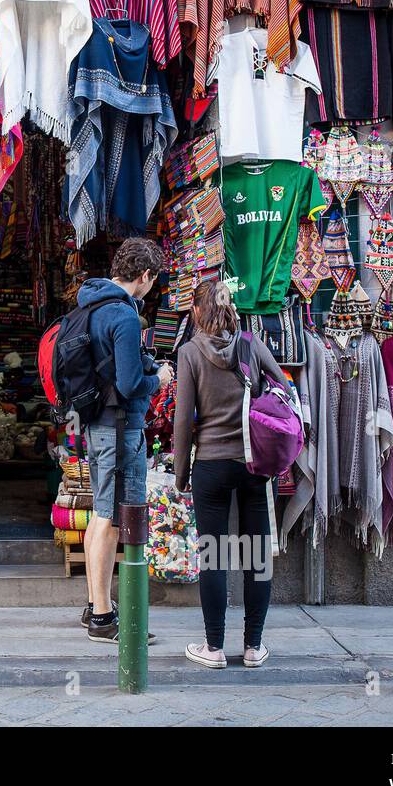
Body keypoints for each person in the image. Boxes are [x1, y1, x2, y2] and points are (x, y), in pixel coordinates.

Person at [172, 280, 289, 669]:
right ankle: (254, 647)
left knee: (214, 556)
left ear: (198, 310)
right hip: (253, 463)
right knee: (256, 556)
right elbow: (284, 385)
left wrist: (180, 472)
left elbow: (183, 420)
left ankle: (215, 648)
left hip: (210, 466)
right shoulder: (251, 344)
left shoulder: (189, 352)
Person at [77, 237, 173, 643]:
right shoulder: (126, 316)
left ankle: (95, 603)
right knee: (113, 518)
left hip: (96, 423)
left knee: (100, 512)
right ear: (146, 275)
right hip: (119, 427)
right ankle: (103, 617)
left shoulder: (90, 303)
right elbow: (131, 383)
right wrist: (161, 379)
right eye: (155, 280)